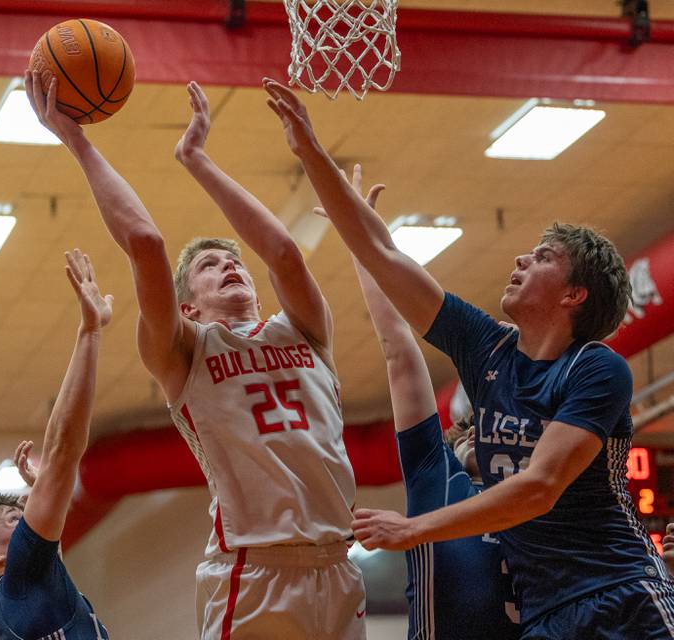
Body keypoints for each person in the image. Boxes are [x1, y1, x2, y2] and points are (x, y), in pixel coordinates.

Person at [263, 78, 674, 639]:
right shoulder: (486, 346)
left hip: (617, 593)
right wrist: (311, 151)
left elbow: (540, 486)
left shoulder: (597, 368)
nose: (522, 256)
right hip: (545, 615)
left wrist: (414, 529)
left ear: (573, 295)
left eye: (545, 256)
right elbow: (382, 254)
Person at [26, 72, 364, 640]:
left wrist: (198, 159)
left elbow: (283, 253)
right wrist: (76, 140)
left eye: (234, 263)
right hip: (254, 572)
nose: (230, 266)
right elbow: (145, 245)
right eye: (210, 266)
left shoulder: (304, 330)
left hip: (338, 564)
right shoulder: (186, 353)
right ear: (188, 308)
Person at [338, 167, 519, 639]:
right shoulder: (436, 474)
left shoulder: (537, 484)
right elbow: (399, 348)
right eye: (479, 424)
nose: (490, 427)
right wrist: (361, 241)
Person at [0, 249, 113, 640]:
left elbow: (51, 556)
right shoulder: (19, 580)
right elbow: (63, 447)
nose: (30, 517)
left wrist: (42, 490)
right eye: (16, 520)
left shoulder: (14, 604)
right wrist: (90, 332)